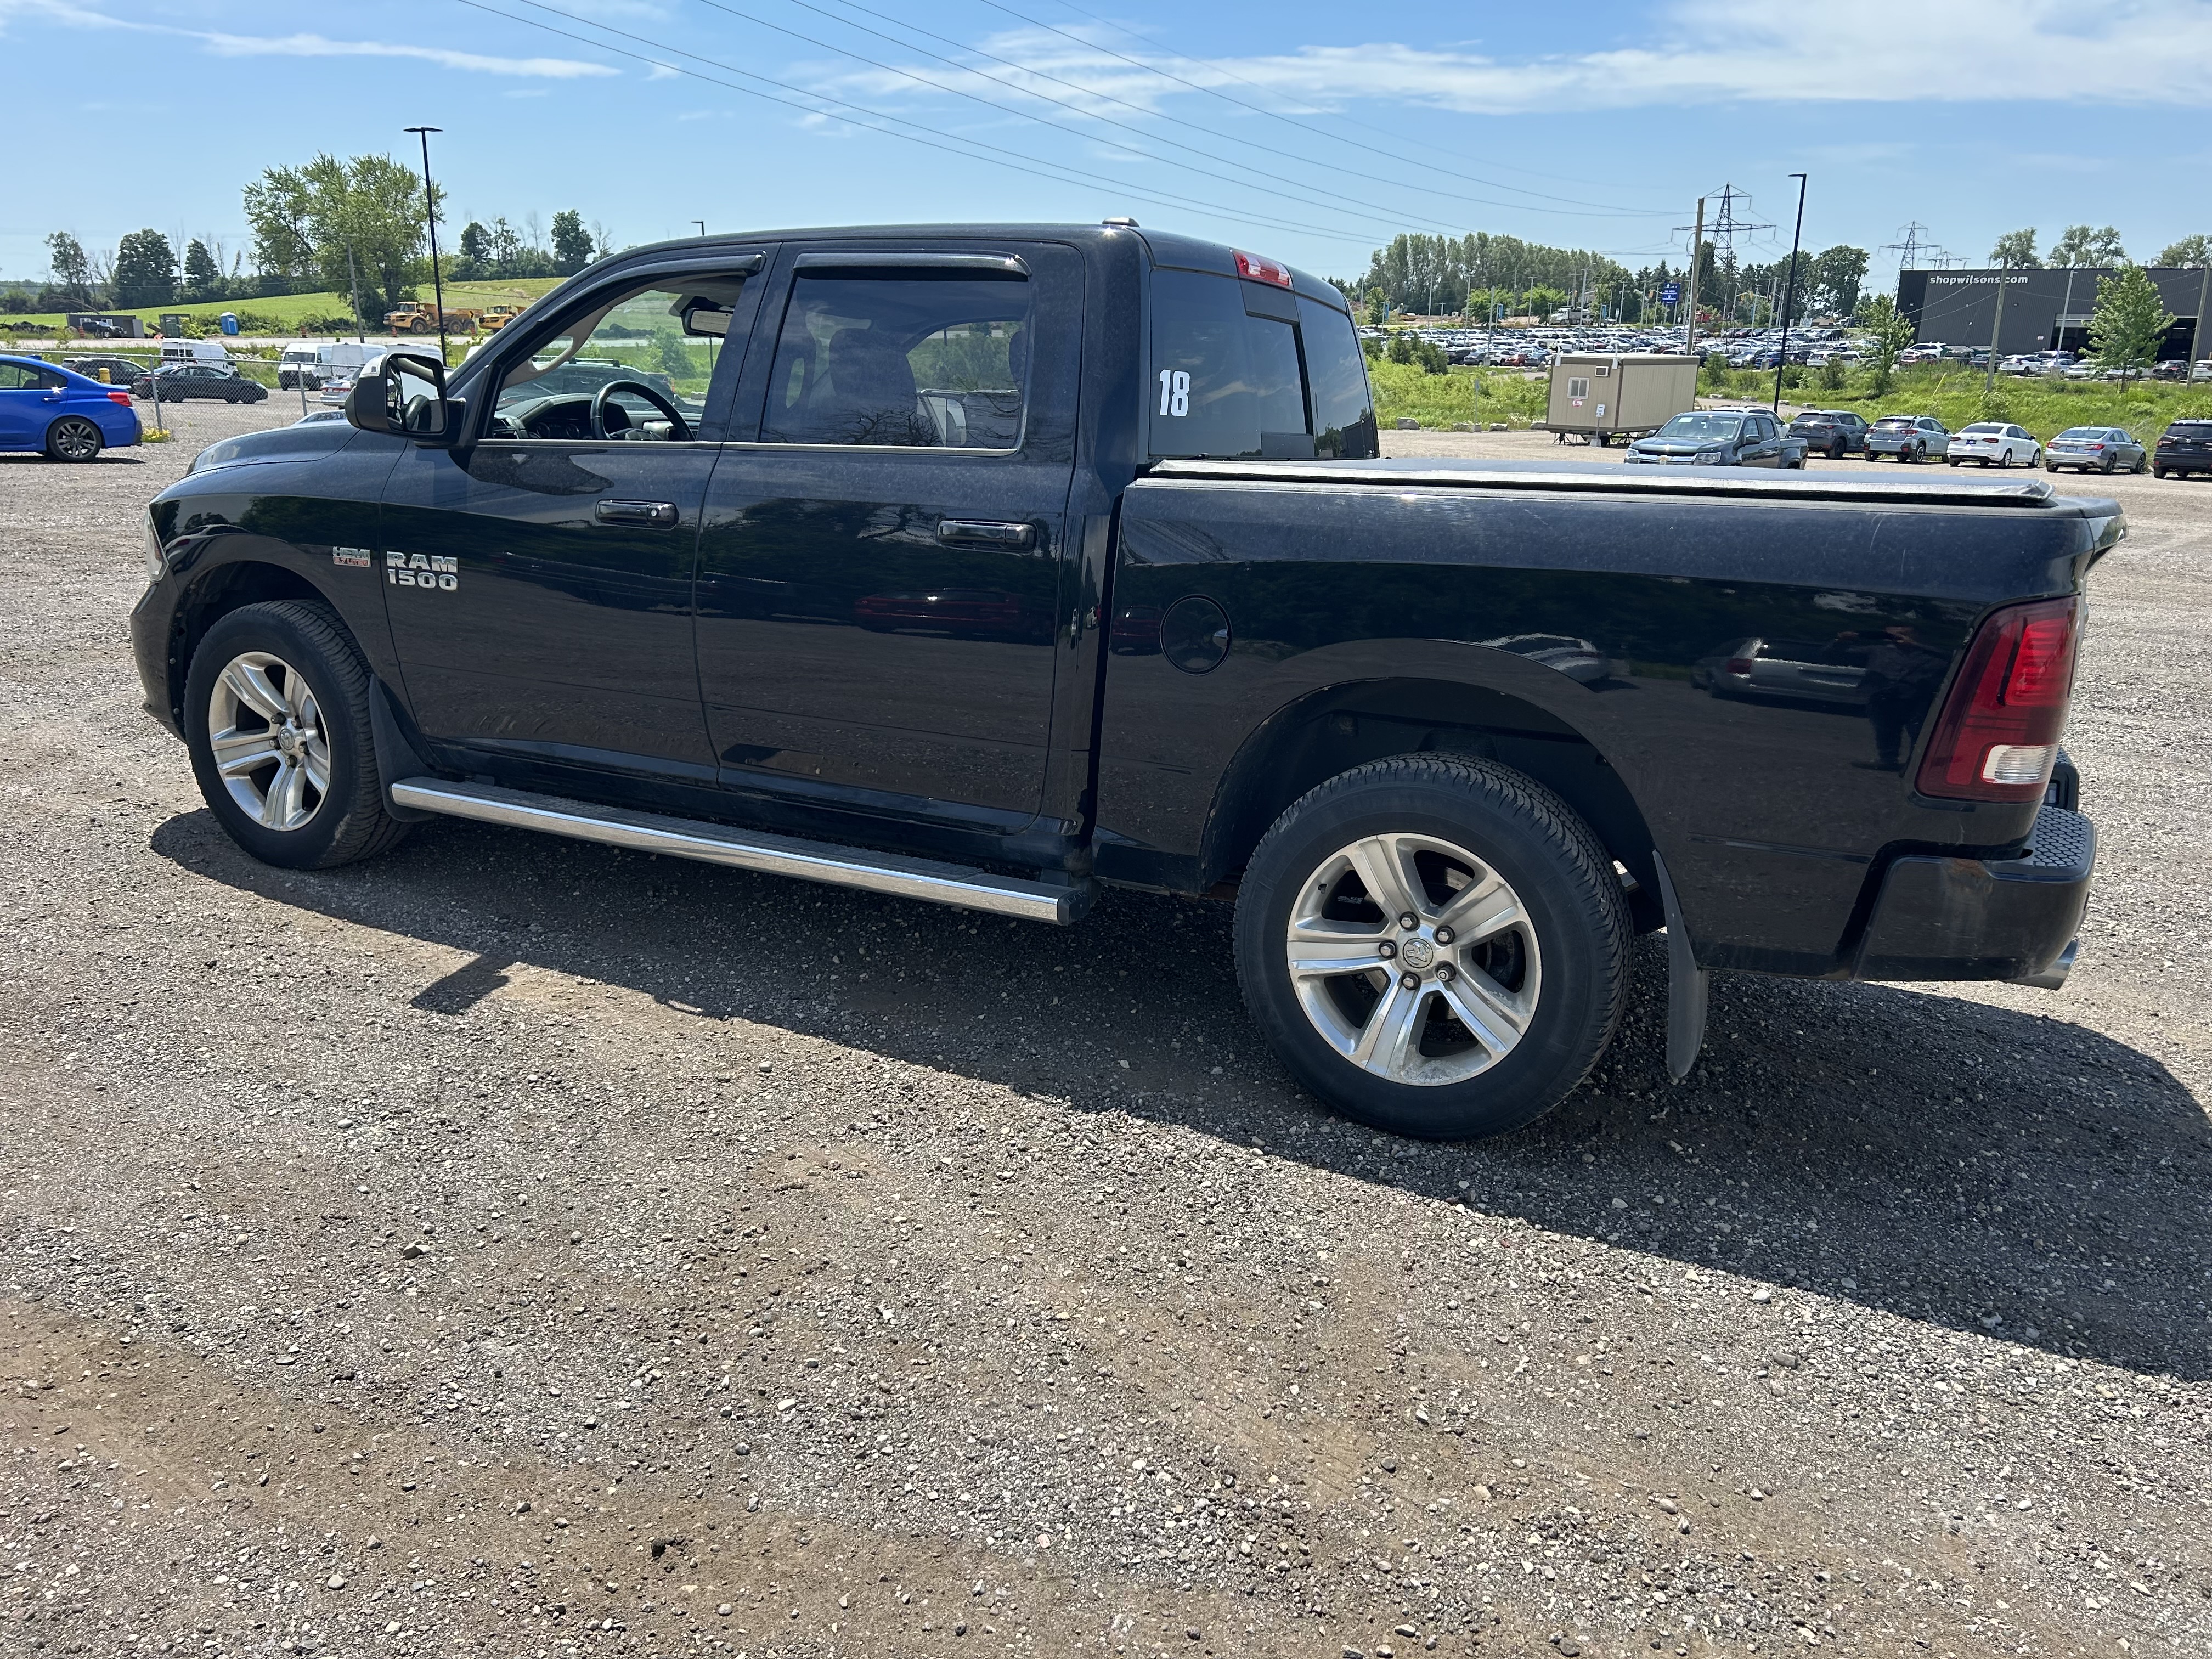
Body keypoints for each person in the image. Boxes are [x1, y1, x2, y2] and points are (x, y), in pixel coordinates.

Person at [1844, 624, 1947, 772]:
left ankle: (1916, 765)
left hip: (1918, 698)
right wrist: (1843, 640)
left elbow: (1953, 658)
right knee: (1885, 729)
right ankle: (1887, 760)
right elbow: (1837, 655)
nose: (1898, 637)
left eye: (1904, 634)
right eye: (1893, 634)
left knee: (1918, 732)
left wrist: (1916, 645)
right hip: (1883, 696)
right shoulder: (1878, 650)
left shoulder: (1931, 654)